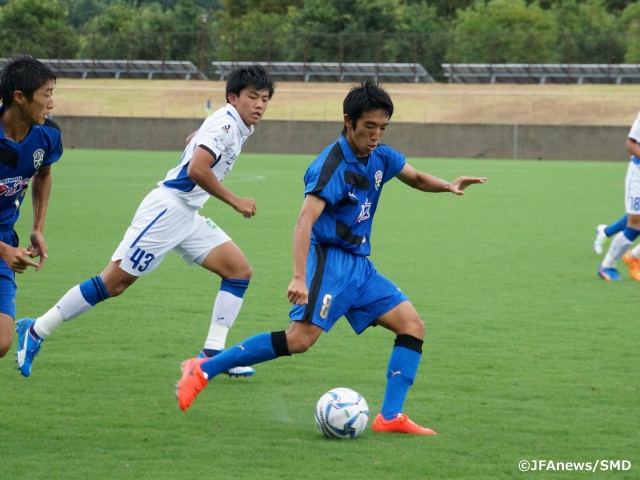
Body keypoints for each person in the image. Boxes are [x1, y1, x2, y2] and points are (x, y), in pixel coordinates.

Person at [176, 80, 486, 435]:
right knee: (299, 340)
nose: (376, 135)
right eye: (369, 126)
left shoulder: (382, 156)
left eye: (383, 127)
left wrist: (447, 185)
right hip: (330, 263)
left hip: (360, 267)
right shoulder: (331, 166)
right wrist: (298, 277)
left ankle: (390, 417)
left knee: (412, 325)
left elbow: (414, 178)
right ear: (348, 120)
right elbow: (304, 221)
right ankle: (202, 369)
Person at [15, 64, 275, 376]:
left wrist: (198, 137)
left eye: (265, 99)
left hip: (187, 215)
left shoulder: (232, 122)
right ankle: (36, 330)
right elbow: (196, 170)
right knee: (114, 283)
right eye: (253, 97)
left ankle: (211, 356)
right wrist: (236, 201)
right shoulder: (227, 125)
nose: (259, 104)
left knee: (239, 271)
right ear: (233, 97)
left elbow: (202, 140)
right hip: (167, 211)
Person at [0, 55, 61, 360]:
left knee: (1, 342)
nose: (51, 104)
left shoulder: (47, 135)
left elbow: (44, 171)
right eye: (46, 95)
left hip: (5, 238)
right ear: (20, 97)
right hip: (2, 247)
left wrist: (37, 227)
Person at [598, 109, 640, 281]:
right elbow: (631, 144)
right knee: (635, 225)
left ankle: (633, 256)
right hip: (638, 175)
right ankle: (607, 266)